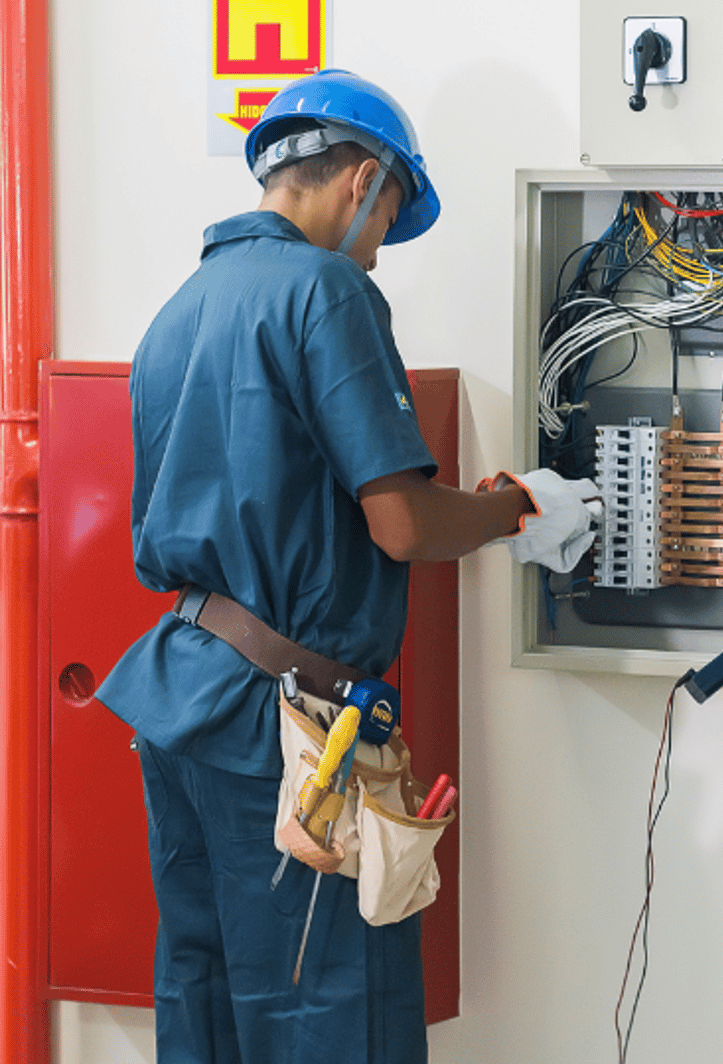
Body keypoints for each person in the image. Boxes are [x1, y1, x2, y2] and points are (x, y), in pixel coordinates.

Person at [97, 69, 598, 1064]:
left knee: (206, 1006)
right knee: (330, 1018)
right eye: (388, 221)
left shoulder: (178, 311)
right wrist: (520, 508)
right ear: (364, 180)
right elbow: (402, 523)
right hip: (285, 734)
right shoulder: (327, 291)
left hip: (183, 704)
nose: (376, 252)